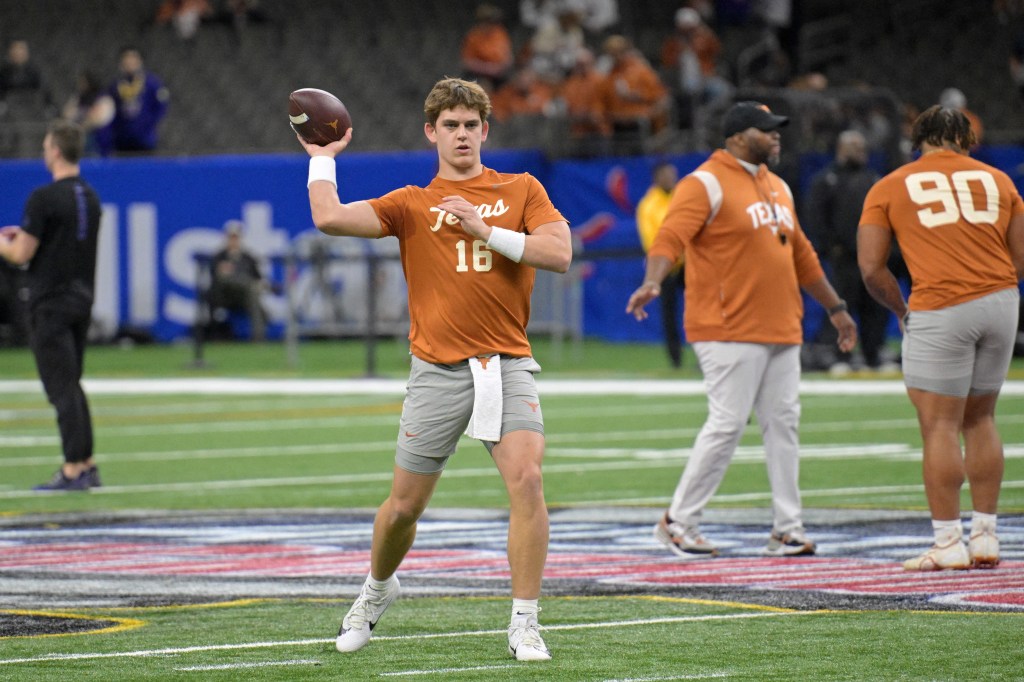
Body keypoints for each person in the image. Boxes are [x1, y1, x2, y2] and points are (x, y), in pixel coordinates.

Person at [296, 77, 572, 660]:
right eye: (451, 125)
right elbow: (329, 218)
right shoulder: (412, 204)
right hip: (437, 370)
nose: (462, 134)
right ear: (432, 133)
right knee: (403, 508)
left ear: (485, 131)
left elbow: (559, 253)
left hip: (507, 363)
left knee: (527, 480)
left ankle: (524, 621)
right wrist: (322, 160)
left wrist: (485, 229)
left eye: (471, 124)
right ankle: (376, 590)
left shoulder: (521, 188)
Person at [626, 101, 857, 559]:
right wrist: (653, 280)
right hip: (726, 325)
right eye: (765, 130)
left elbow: (802, 255)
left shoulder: (778, 186)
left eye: (776, 130)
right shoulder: (705, 182)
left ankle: (787, 529)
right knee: (728, 423)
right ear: (735, 138)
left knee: (784, 424)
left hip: (780, 325)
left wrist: (836, 308)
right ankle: (678, 522)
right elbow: (670, 238)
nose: (775, 137)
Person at [858, 105, 1024, 571]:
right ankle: (987, 536)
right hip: (1000, 301)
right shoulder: (1000, 180)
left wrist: (901, 309)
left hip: (940, 305)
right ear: (967, 138)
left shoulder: (890, 185)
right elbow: (1020, 256)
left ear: (919, 139)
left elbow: (871, 268)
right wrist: (992, 291)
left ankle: (948, 540)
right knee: (982, 418)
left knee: (941, 425)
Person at [0, 120, 103, 491]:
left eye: (46, 147)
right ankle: (87, 463)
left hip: (50, 302)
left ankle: (74, 467)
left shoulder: (44, 198)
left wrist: (3, 241)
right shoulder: (89, 198)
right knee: (72, 384)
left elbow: (21, 252)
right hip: (81, 298)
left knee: (60, 388)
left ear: (56, 150)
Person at [803, 130, 891, 374]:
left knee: (874, 307)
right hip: (842, 259)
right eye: (855, 147)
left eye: (863, 147)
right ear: (841, 149)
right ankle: (837, 353)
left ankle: (873, 353)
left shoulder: (873, 179)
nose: (861, 152)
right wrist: (831, 247)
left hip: (872, 258)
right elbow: (815, 217)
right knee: (841, 304)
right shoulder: (826, 180)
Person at [635, 161, 685, 368]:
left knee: (703, 305)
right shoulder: (649, 205)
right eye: (666, 175)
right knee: (669, 314)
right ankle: (676, 361)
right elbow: (652, 239)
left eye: (673, 174)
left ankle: (708, 354)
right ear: (656, 178)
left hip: (688, 262)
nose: (671, 178)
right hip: (665, 266)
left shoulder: (682, 197)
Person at [597, 35, 669, 153]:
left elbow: (658, 95)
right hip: (617, 125)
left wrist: (638, 97)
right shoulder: (609, 76)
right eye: (611, 53)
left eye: (617, 52)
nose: (615, 56)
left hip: (639, 124)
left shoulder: (642, 71)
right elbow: (603, 101)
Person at [97, 46, 170, 156]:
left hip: (145, 139)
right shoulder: (115, 86)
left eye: (133, 58)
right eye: (126, 58)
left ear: (139, 61)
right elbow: (109, 111)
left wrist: (148, 124)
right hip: (121, 140)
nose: (130, 62)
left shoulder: (152, 83)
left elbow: (161, 106)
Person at [206, 220, 268, 342]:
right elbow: (214, 277)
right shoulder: (219, 257)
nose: (233, 240)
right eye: (231, 237)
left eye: (236, 237)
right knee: (231, 280)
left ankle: (258, 337)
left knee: (252, 292)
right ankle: (261, 328)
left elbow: (258, 278)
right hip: (224, 295)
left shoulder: (248, 258)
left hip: (243, 297)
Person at [460, 4, 514, 92]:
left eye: (492, 21)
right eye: (487, 21)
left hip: (498, 75)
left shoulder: (500, 33)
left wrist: (499, 67)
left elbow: (508, 58)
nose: (489, 24)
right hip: (478, 74)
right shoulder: (473, 36)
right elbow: (467, 62)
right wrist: (487, 69)